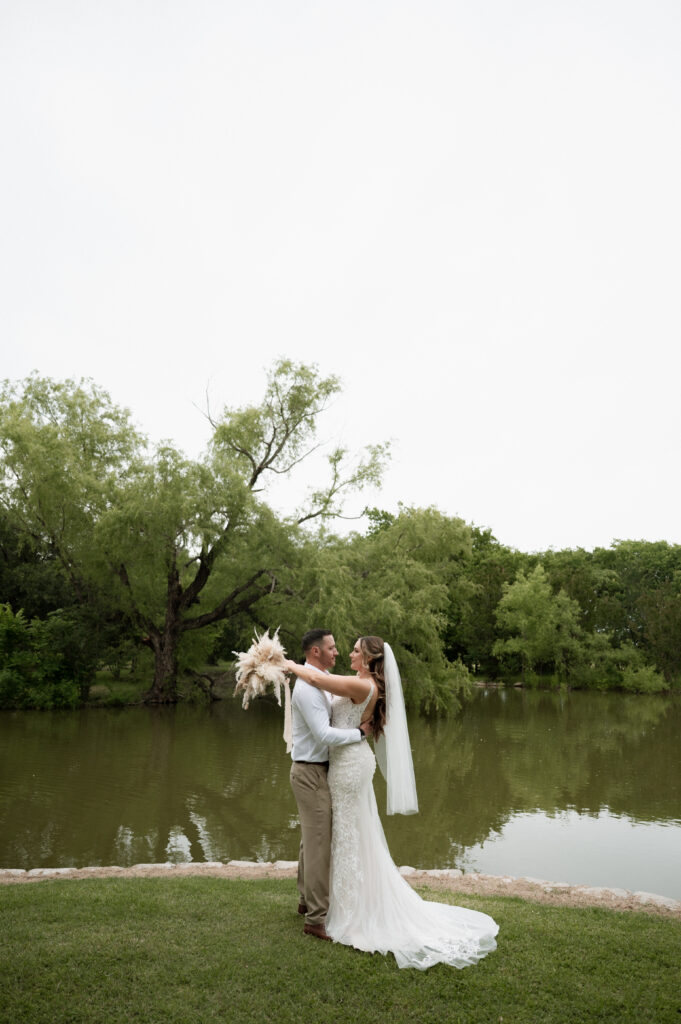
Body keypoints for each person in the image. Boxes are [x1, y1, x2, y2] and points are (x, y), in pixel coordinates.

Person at [285, 635, 499, 970]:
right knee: (335, 834)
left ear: (369, 659)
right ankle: (319, 903)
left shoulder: (363, 686)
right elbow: (320, 686)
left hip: (349, 764)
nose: (347, 653)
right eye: (343, 648)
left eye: (355, 650)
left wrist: (281, 663)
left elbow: (315, 678)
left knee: (342, 833)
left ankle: (334, 907)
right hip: (342, 763)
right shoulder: (357, 681)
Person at [289, 629, 372, 942]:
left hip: (322, 770)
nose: (337, 652)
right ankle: (316, 919)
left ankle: (303, 902)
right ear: (315, 652)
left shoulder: (318, 679)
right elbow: (324, 735)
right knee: (319, 844)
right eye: (331, 647)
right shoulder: (308, 689)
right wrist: (359, 735)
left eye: (339, 648)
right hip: (310, 773)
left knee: (310, 840)